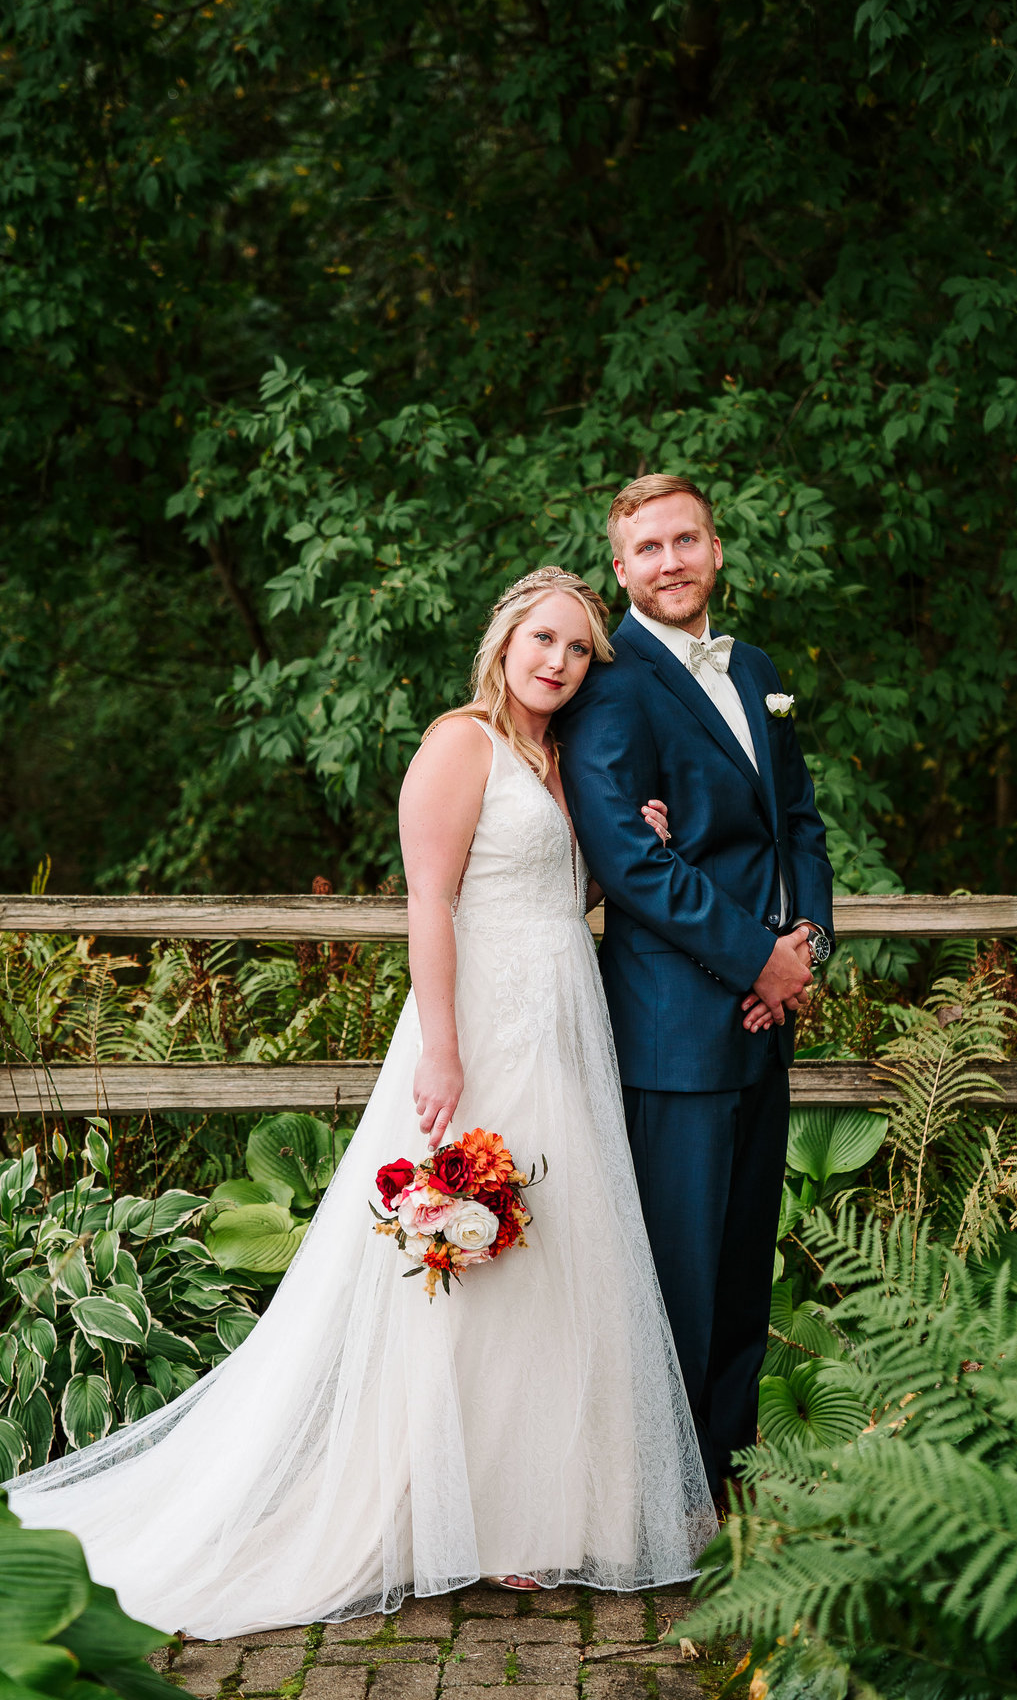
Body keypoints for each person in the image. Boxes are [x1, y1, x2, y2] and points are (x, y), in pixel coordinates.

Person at [5, 566, 716, 1634]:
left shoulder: (564, 761)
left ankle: (547, 1512)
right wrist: (442, 1049)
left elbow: (574, 888)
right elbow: (430, 902)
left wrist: (637, 832)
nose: (560, 662)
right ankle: (451, 1511)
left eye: (579, 650)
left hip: (564, 1026)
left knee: (556, 1253)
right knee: (467, 1253)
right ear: (505, 637)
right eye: (545, 639)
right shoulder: (460, 742)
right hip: (480, 1025)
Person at [555, 474, 835, 1503]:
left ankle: (720, 1486)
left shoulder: (755, 667)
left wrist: (805, 940)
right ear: (619, 568)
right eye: (648, 548)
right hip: (675, 1026)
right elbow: (629, 860)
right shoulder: (611, 682)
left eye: (687, 540)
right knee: (675, 1279)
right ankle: (656, 1501)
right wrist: (752, 959)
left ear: (716, 549)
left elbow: (795, 822)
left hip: (766, 1020)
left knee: (740, 1274)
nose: (670, 562)